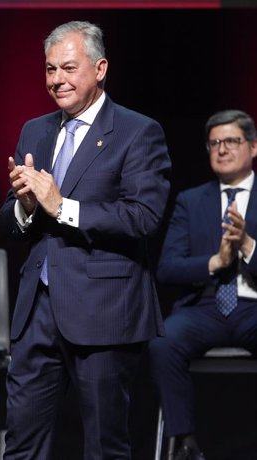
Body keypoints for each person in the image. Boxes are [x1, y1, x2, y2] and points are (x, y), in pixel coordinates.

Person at [0, 21, 171, 459]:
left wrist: (60, 207)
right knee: (20, 443)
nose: (57, 80)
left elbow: (144, 216)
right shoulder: (34, 130)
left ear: (100, 68)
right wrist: (26, 206)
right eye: (50, 69)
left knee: (105, 447)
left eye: (69, 68)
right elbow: (7, 222)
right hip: (37, 310)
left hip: (104, 311)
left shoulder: (137, 131)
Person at [149, 109, 257, 460]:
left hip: (253, 307)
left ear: (253, 147)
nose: (222, 149)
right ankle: (184, 442)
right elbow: (167, 268)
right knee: (164, 340)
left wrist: (246, 246)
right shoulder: (190, 201)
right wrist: (216, 262)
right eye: (214, 143)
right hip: (206, 308)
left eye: (231, 141)